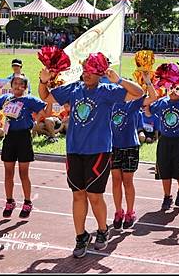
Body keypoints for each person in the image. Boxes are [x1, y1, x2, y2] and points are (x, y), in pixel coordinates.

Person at [38, 53, 144, 258]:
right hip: (74, 150)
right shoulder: (74, 89)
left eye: (92, 70)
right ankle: (81, 236)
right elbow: (45, 96)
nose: (87, 73)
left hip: (98, 151)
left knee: (95, 195)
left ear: (100, 73)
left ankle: (103, 229)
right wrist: (43, 80)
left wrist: (119, 80)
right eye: (85, 69)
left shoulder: (107, 90)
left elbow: (138, 93)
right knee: (77, 194)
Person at [0, 75, 50, 219]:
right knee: (8, 172)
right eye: (15, 83)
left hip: (23, 137)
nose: (17, 86)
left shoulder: (29, 99)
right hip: (9, 137)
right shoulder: (6, 99)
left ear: (25, 87)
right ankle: (9, 201)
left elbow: (45, 112)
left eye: (21, 84)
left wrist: (35, 120)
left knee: (24, 173)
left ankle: (27, 202)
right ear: (11, 85)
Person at [111, 72, 158, 230]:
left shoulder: (133, 103)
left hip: (130, 146)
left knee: (127, 181)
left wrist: (147, 82)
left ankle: (130, 212)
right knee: (116, 181)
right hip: (113, 147)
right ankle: (118, 211)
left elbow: (153, 97)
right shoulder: (109, 103)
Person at [149, 69, 179, 211]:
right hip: (165, 140)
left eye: (176, 88)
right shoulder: (162, 103)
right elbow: (149, 109)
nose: (173, 91)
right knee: (164, 169)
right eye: (170, 87)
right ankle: (167, 196)